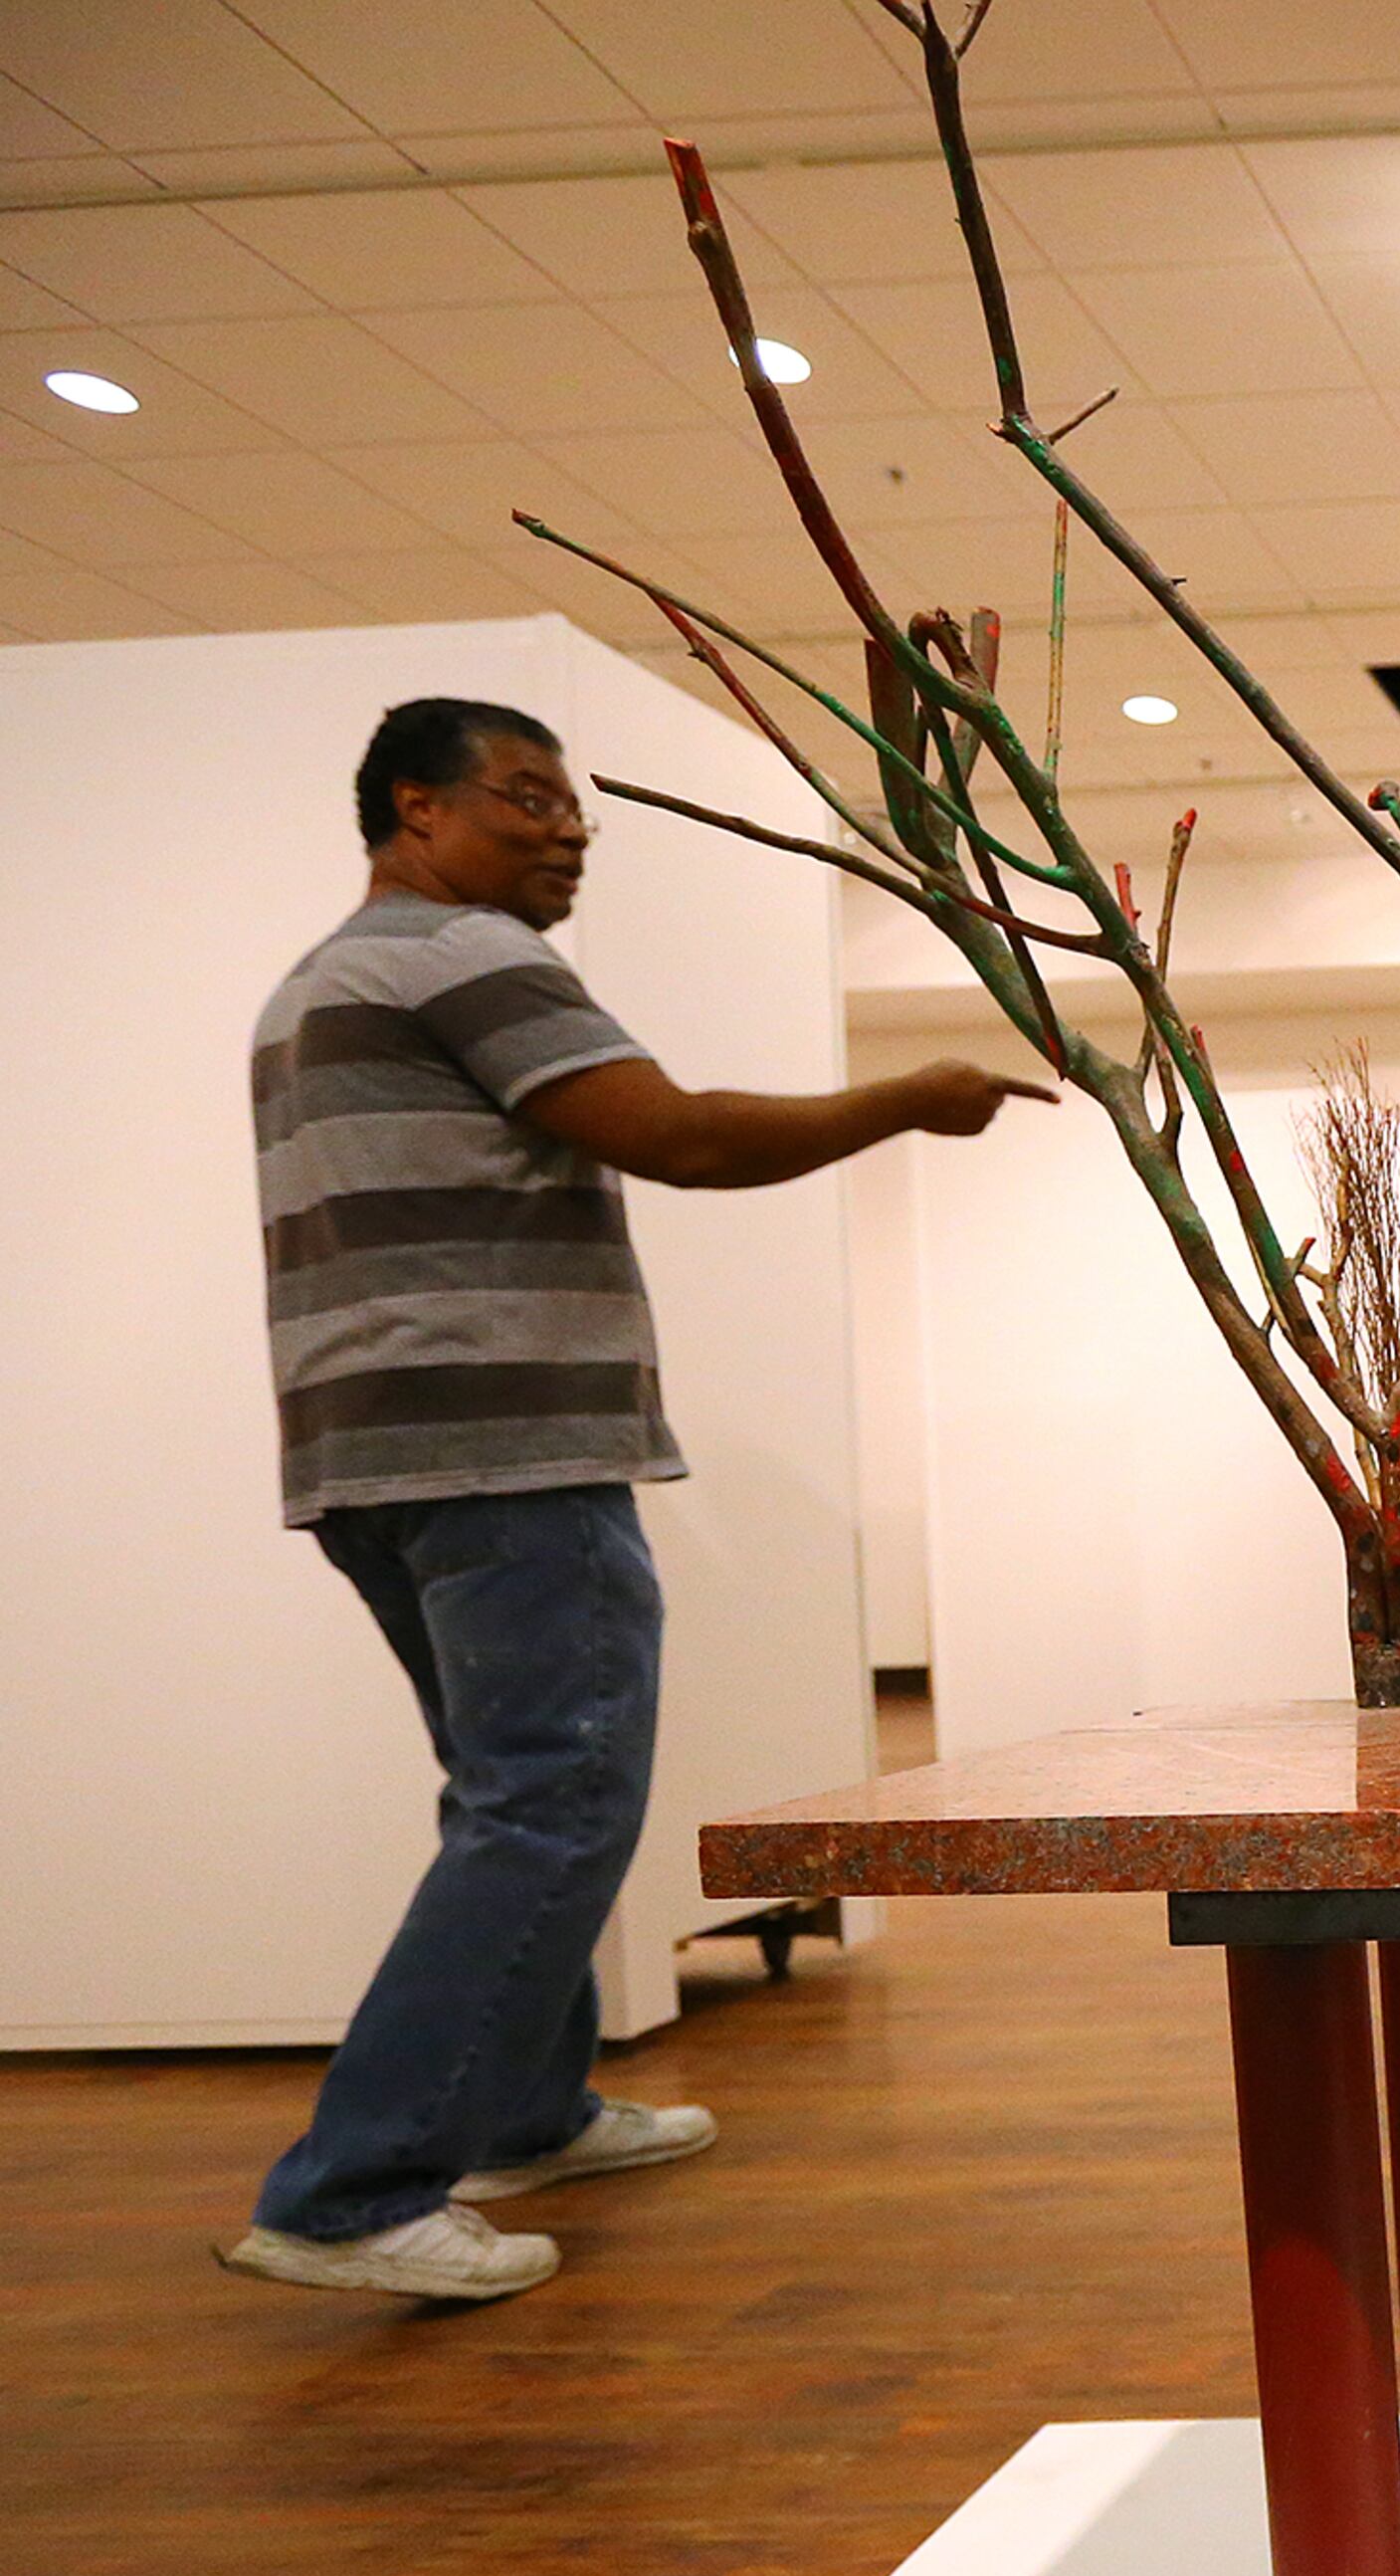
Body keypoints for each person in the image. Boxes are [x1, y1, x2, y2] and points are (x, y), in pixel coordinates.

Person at [221, 697, 1052, 2304]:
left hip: (378, 1454)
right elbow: (672, 1136)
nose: (568, 830)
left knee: (516, 1792)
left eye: (576, 808)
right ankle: (352, 2190)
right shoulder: (460, 955)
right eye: (527, 798)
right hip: (507, 1448)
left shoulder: (317, 981)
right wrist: (906, 1100)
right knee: (553, 1799)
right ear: (415, 808)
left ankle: (525, 2108)